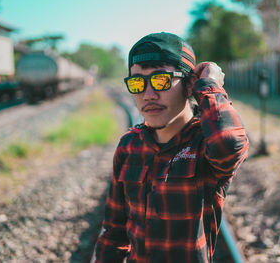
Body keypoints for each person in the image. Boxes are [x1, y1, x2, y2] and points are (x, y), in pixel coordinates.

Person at [92, 32, 249, 263]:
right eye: (137, 82)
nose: (148, 95)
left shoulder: (204, 144)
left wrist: (210, 85)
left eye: (161, 80)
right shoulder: (129, 146)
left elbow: (229, 143)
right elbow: (114, 232)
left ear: (189, 86)